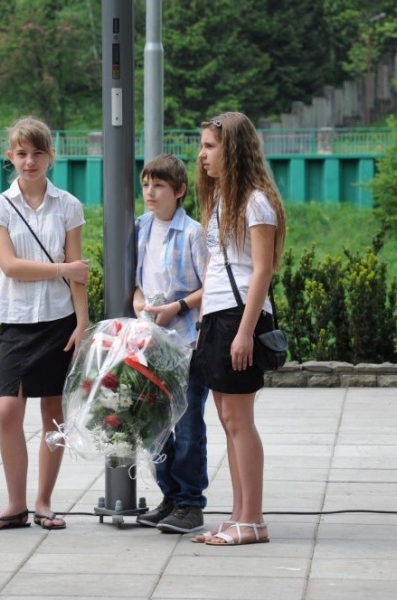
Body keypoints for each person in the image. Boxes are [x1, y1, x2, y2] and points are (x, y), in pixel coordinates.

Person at [0, 117, 90, 531]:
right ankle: (15, 504)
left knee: (54, 415)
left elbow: (80, 274)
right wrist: (63, 268)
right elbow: (9, 266)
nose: (30, 161)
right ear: (10, 156)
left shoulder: (69, 205)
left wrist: (83, 322)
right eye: (22, 153)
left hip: (60, 320)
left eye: (38, 153)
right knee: (8, 412)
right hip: (17, 320)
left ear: (50, 157)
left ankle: (43, 503)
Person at [190, 112, 286, 546]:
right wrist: (202, 322)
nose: (202, 155)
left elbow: (262, 270)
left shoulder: (256, 202)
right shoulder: (220, 201)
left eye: (210, 146)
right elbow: (216, 264)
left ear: (233, 150)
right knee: (227, 419)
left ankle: (253, 520)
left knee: (239, 420)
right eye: (203, 146)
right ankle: (237, 515)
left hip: (240, 315)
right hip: (217, 316)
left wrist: (244, 332)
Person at [131, 154, 210, 534]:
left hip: (187, 342)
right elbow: (136, 282)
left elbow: (211, 286)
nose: (150, 192)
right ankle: (170, 496)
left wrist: (176, 307)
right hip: (150, 342)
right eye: (146, 184)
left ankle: (191, 503)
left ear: (179, 191)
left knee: (188, 424)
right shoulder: (139, 228)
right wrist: (139, 304)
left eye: (159, 185)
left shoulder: (194, 233)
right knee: (154, 425)